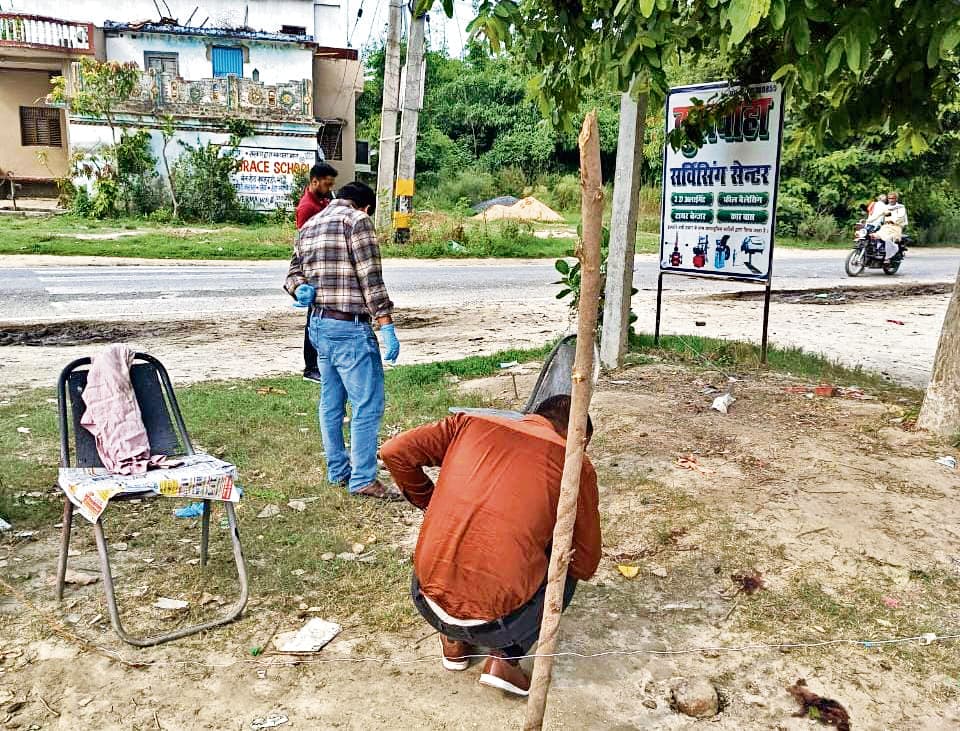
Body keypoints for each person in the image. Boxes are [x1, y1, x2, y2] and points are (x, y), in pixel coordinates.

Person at [380, 395, 602, 696]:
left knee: (450, 539)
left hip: (425, 598)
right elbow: (586, 563)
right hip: (499, 622)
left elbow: (394, 451)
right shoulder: (574, 461)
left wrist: (430, 503)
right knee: (569, 562)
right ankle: (506, 659)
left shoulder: (467, 422)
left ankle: (453, 642)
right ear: (581, 438)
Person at [284, 181, 401, 500]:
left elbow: (292, 275)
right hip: (349, 327)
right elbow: (370, 277)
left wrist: (299, 290)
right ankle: (363, 478)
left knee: (331, 400)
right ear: (366, 207)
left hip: (319, 325)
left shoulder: (309, 224)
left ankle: (338, 470)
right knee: (367, 404)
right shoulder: (357, 221)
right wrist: (385, 323)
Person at [295, 163, 339, 383]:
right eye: (327, 183)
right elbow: (303, 244)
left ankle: (321, 363)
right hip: (313, 269)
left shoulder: (323, 201)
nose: (330, 188)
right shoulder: (307, 208)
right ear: (314, 181)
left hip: (324, 266)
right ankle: (310, 367)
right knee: (312, 320)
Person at [878, 191, 908, 263]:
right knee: (873, 236)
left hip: (896, 228)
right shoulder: (886, 207)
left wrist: (893, 221)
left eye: (892, 198)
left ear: (896, 199)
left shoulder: (900, 207)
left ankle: (887, 257)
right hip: (885, 227)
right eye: (889, 198)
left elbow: (901, 217)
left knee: (888, 239)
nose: (891, 200)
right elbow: (880, 216)